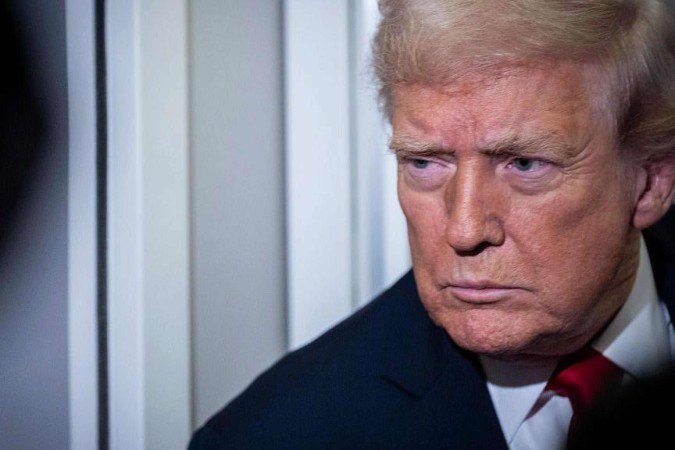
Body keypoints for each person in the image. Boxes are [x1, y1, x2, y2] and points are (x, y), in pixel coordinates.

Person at [190, 1, 675, 448]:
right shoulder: (273, 435)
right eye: (424, 163)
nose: (463, 230)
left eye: (525, 164)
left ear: (653, 181)